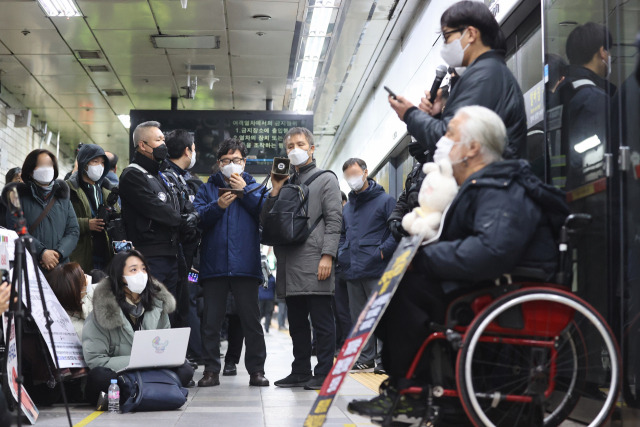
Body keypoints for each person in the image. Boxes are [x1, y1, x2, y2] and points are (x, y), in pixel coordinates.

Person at [348, 106, 570, 425]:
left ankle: (410, 391)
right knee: (398, 289)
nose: (443, 142)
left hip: (505, 287)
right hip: (490, 282)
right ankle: (407, 388)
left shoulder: (500, 188)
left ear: (474, 148)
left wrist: (424, 259)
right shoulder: (484, 184)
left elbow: (493, 250)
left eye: (451, 135)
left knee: (405, 292)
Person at [388, 1, 526, 162]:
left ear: (471, 34)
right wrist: (437, 117)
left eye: (447, 37)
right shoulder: (487, 73)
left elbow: (452, 142)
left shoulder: (485, 76)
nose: (445, 46)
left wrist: (410, 114)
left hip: (490, 183)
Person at [263, 127, 343, 390]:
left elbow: (334, 220)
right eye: (289, 146)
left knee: (321, 321)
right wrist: (275, 188)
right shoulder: (285, 180)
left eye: (300, 144)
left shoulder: (326, 179)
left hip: (315, 259)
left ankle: (323, 373)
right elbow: (268, 220)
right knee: (296, 322)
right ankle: (300, 370)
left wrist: (328, 255)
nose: (294, 150)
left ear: (311, 148)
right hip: (288, 261)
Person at [192, 137, 269, 388]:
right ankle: (211, 370)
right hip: (214, 264)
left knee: (251, 321)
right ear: (218, 163)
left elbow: (266, 214)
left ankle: (257, 370)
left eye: (236, 160)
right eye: (226, 160)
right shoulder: (207, 189)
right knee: (211, 322)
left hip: (245, 264)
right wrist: (218, 206)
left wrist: (244, 189)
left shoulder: (256, 188)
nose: (231, 164)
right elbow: (197, 219)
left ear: (244, 163)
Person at [82, 250, 194, 406]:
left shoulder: (157, 305)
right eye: (133, 270)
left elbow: (165, 344)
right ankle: (151, 391)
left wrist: (164, 357)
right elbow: (95, 360)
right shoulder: (102, 311)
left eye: (144, 269)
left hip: (151, 369)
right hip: (120, 375)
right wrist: (136, 361)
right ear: (119, 276)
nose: (141, 274)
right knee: (99, 377)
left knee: (185, 369)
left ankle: (137, 394)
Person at [119, 121, 190, 307]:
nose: (163, 145)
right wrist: (182, 220)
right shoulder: (132, 175)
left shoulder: (163, 177)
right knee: (151, 311)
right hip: (149, 257)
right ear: (142, 145)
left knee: (169, 315)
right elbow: (155, 208)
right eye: (158, 140)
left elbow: (179, 206)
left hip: (172, 255)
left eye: (163, 140)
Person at [339, 158, 397, 372]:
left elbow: (396, 233)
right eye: (348, 176)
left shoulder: (385, 201)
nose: (352, 179)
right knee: (359, 319)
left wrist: (381, 252)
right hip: (353, 269)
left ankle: (384, 360)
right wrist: (341, 253)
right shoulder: (347, 208)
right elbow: (343, 235)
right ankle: (366, 357)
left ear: (365, 172)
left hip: (377, 269)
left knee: (380, 315)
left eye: (355, 174)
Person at [556, 22, 614, 190]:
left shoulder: (562, 92)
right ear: (602, 52)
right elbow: (593, 159)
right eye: (609, 52)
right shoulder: (594, 98)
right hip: (588, 195)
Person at [3, 149, 79, 273]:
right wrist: (42, 252)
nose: (46, 169)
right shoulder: (16, 197)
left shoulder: (62, 197)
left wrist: (58, 253)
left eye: (49, 165)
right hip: (28, 269)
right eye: (41, 165)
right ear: (31, 170)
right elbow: (17, 230)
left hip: (59, 270)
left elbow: (73, 231)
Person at [163, 129, 204, 360]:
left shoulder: (183, 180)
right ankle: (192, 353)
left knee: (186, 301)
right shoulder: (171, 179)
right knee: (184, 303)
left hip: (189, 260)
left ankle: (192, 352)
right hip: (184, 259)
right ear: (188, 150)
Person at [66, 144, 116, 272]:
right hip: (80, 256)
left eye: (103, 163)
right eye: (95, 161)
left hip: (105, 256)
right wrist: (86, 224)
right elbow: (60, 221)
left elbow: (118, 218)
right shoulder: (69, 189)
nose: (99, 166)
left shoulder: (107, 190)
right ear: (84, 163)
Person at [49, 262, 93, 340]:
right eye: (83, 278)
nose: (87, 277)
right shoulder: (81, 331)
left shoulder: (55, 313)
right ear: (76, 292)